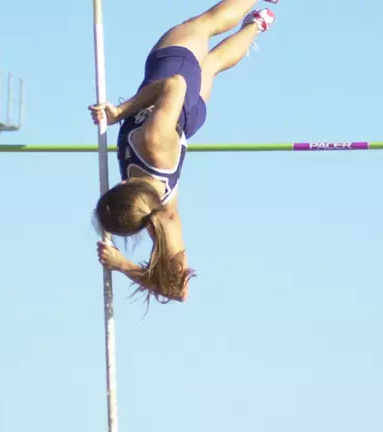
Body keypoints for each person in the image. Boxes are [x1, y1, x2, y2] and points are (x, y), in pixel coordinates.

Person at [89, 0, 277, 305]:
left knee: (212, 65)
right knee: (202, 24)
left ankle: (257, 24)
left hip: (188, 119)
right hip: (172, 93)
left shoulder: (161, 218)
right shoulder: (151, 143)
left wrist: (124, 264)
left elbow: (178, 291)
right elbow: (174, 86)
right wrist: (120, 112)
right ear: (122, 185)